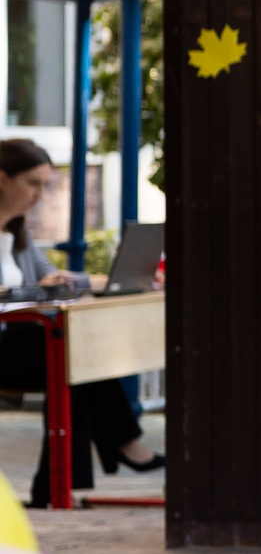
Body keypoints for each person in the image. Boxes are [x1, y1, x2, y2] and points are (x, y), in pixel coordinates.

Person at [0, 140, 163, 497]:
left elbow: (57, 279)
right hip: (10, 343)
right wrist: (25, 292)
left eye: (45, 185)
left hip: (22, 341)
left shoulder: (17, 237)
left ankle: (57, 488)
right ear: (2, 180)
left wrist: (129, 279)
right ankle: (124, 445)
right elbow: (23, 292)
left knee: (75, 353)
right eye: (33, 183)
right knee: (69, 349)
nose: (40, 195)